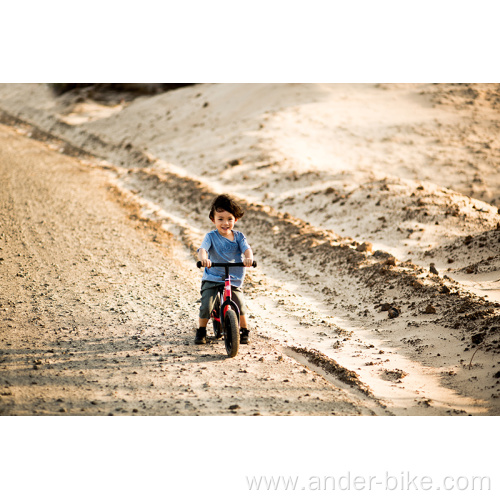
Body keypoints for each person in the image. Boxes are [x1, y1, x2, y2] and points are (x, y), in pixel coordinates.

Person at [196, 194, 254, 345]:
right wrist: (204, 259)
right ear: (213, 219)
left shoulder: (239, 237)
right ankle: (201, 330)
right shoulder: (211, 236)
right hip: (213, 276)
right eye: (220, 219)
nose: (225, 223)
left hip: (233, 277)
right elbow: (203, 249)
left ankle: (244, 330)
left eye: (229, 219)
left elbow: (247, 250)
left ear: (235, 219)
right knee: (206, 305)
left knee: (240, 305)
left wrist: (249, 258)